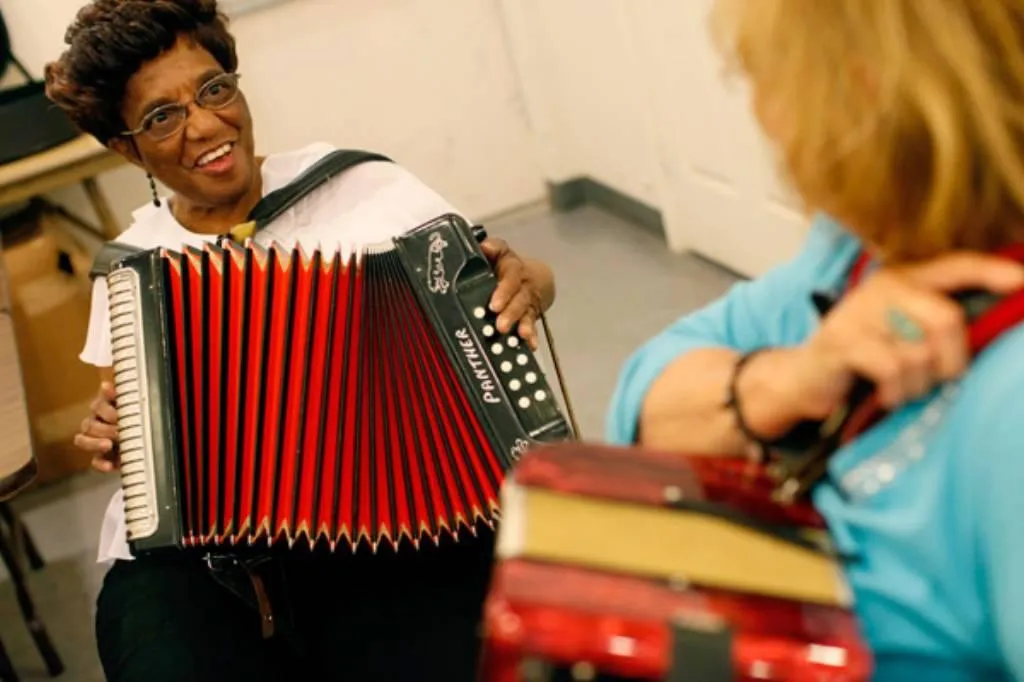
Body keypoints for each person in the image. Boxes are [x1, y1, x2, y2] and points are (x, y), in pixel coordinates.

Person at [46, 1, 556, 680]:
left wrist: (531, 281)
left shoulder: (367, 189)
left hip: (395, 514)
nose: (205, 125)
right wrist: (118, 429)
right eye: (161, 117)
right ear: (125, 147)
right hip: (206, 546)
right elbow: (124, 408)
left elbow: (509, 278)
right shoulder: (135, 264)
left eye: (214, 90)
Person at [606, 1, 1024, 680]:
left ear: (864, 94)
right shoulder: (855, 252)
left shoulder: (1011, 409)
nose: (765, 116)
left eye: (768, 80)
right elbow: (640, 403)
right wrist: (793, 377)